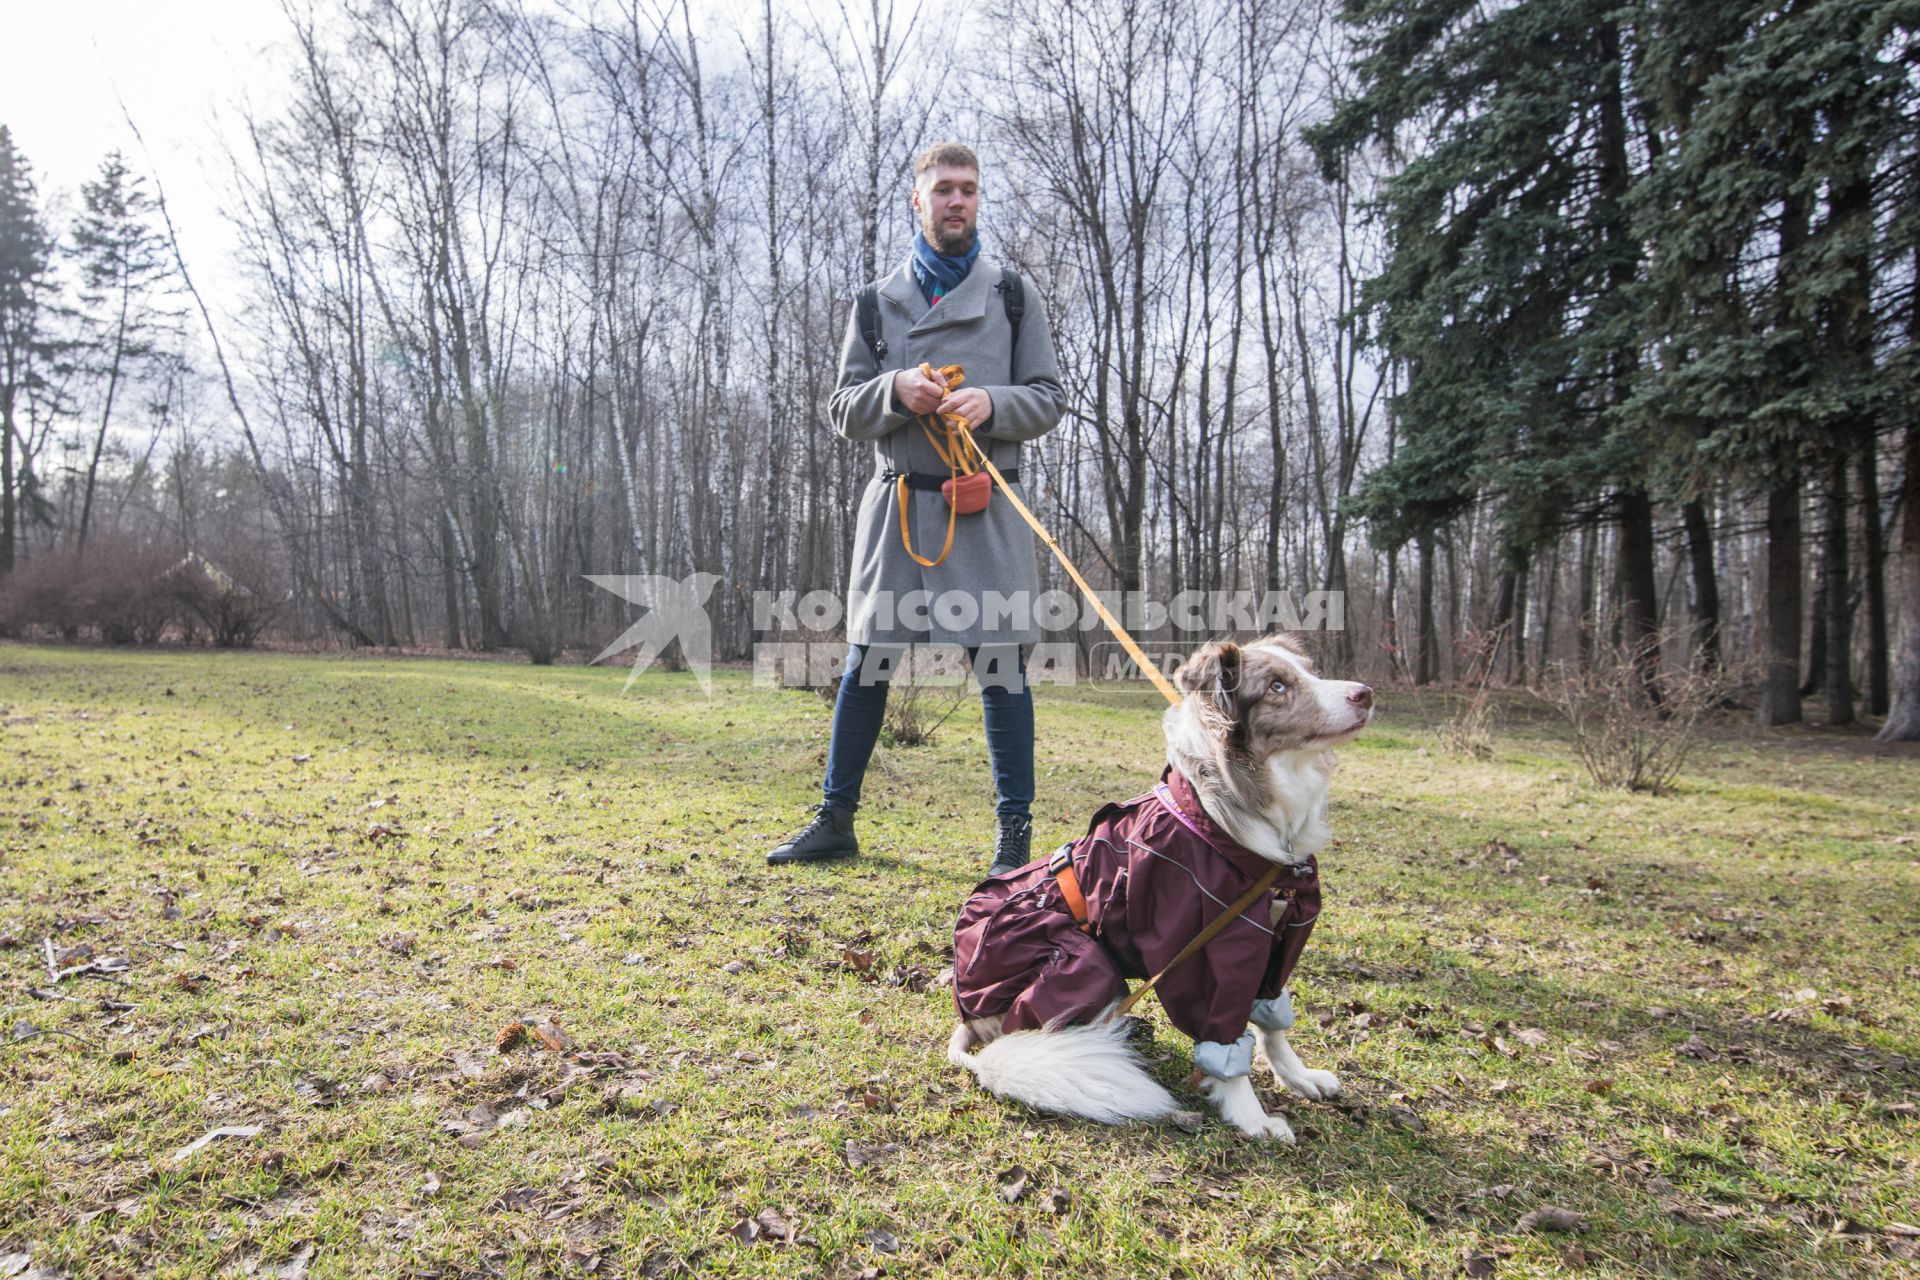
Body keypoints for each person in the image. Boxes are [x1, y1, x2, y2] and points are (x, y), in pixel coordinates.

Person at [766, 142, 1068, 872]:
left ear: (977, 199)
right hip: (898, 509)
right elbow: (842, 409)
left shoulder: (1013, 297)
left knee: (1002, 673)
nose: (956, 201)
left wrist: (993, 402)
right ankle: (835, 821)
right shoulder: (876, 303)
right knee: (867, 667)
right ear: (918, 200)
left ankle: (1012, 844)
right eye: (943, 190)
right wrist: (892, 391)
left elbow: (1050, 398)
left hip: (985, 506)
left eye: (967, 189)